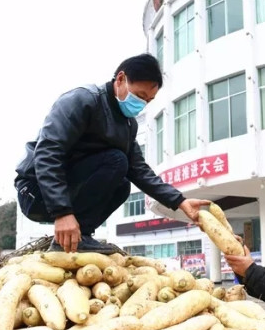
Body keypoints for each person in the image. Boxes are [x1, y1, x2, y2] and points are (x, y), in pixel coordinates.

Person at [15, 54, 209, 254]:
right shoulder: (83, 101)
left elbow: (140, 171)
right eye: (140, 96)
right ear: (120, 79)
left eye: (148, 100)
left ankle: (81, 236)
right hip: (36, 191)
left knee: (122, 184)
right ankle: (68, 232)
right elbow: (48, 153)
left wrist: (180, 201)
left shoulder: (127, 124)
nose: (142, 104)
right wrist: (62, 212)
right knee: (116, 160)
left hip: (68, 191)